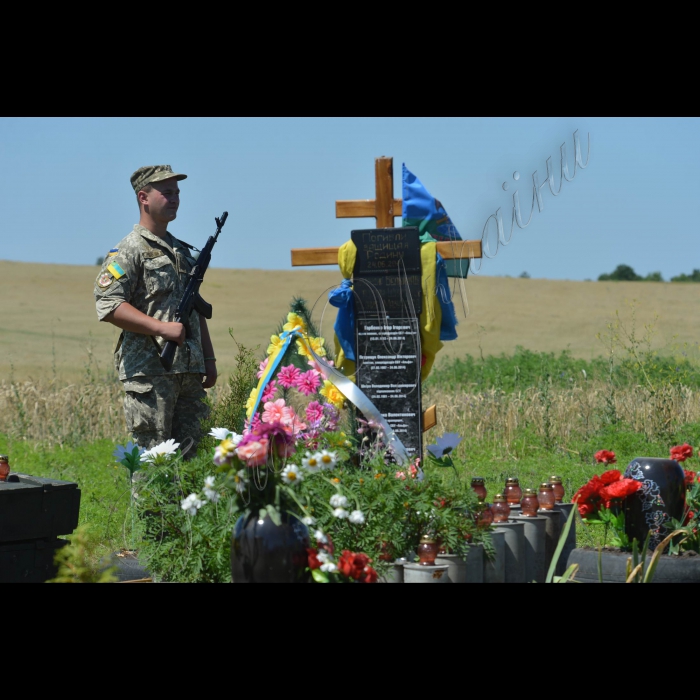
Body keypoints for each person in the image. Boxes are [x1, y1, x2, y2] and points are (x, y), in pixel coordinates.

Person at [94, 165, 217, 457]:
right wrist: (162, 328)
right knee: (153, 463)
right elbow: (109, 305)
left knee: (193, 462)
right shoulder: (128, 250)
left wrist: (208, 358)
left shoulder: (181, 252)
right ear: (143, 197)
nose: (174, 198)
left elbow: (195, 308)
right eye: (166, 192)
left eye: (177, 193)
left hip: (188, 371)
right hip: (149, 374)